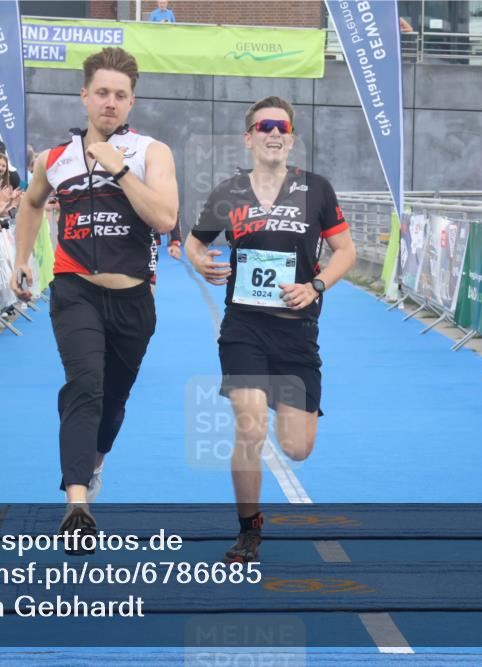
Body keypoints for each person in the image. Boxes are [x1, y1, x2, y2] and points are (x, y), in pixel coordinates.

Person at [11, 46, 178, 549]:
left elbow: (166, 219)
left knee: (113, 402)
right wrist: (23, 257)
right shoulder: (54, 158)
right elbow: (31, 203)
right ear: (85, 96)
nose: (110, 102)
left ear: (131, 103)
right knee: (84, 385)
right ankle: (76, 503)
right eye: (101, 92)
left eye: (120, 95)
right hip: (75, 287)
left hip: (132, 300)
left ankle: (94, 464)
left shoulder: (152, 152)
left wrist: (120, 170)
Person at [185, 96, 357, 563]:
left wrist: (316, 284)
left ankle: (283, 400)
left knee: (297, 448)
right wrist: (203, 263)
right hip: (244, 328)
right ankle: (249, 533)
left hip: (298, 331)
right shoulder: (228, 192)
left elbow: (345, 251)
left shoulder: (317, 189)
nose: (274, 133)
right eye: (265, 126)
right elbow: (193, 243)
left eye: (282, 127)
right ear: (249, 138)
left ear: (292, 137)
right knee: (250, 426)